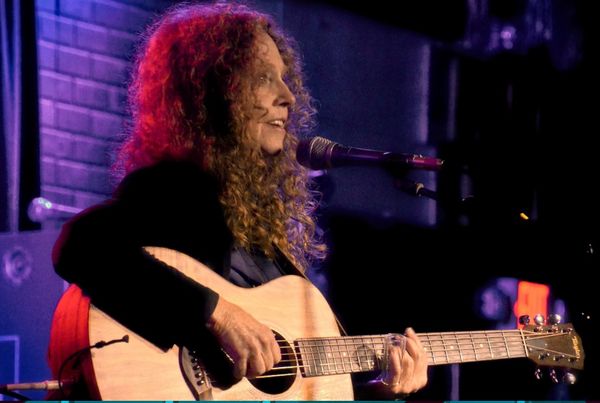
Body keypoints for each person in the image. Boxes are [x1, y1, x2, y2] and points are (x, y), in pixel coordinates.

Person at [48, 2, 428, 400]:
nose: (288, 96)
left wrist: (384, 391)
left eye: (284, 79)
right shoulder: (173, 189)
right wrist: (218, 313)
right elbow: (81, 243)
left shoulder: (255, 225)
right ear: (210, 93)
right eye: (264, 78)